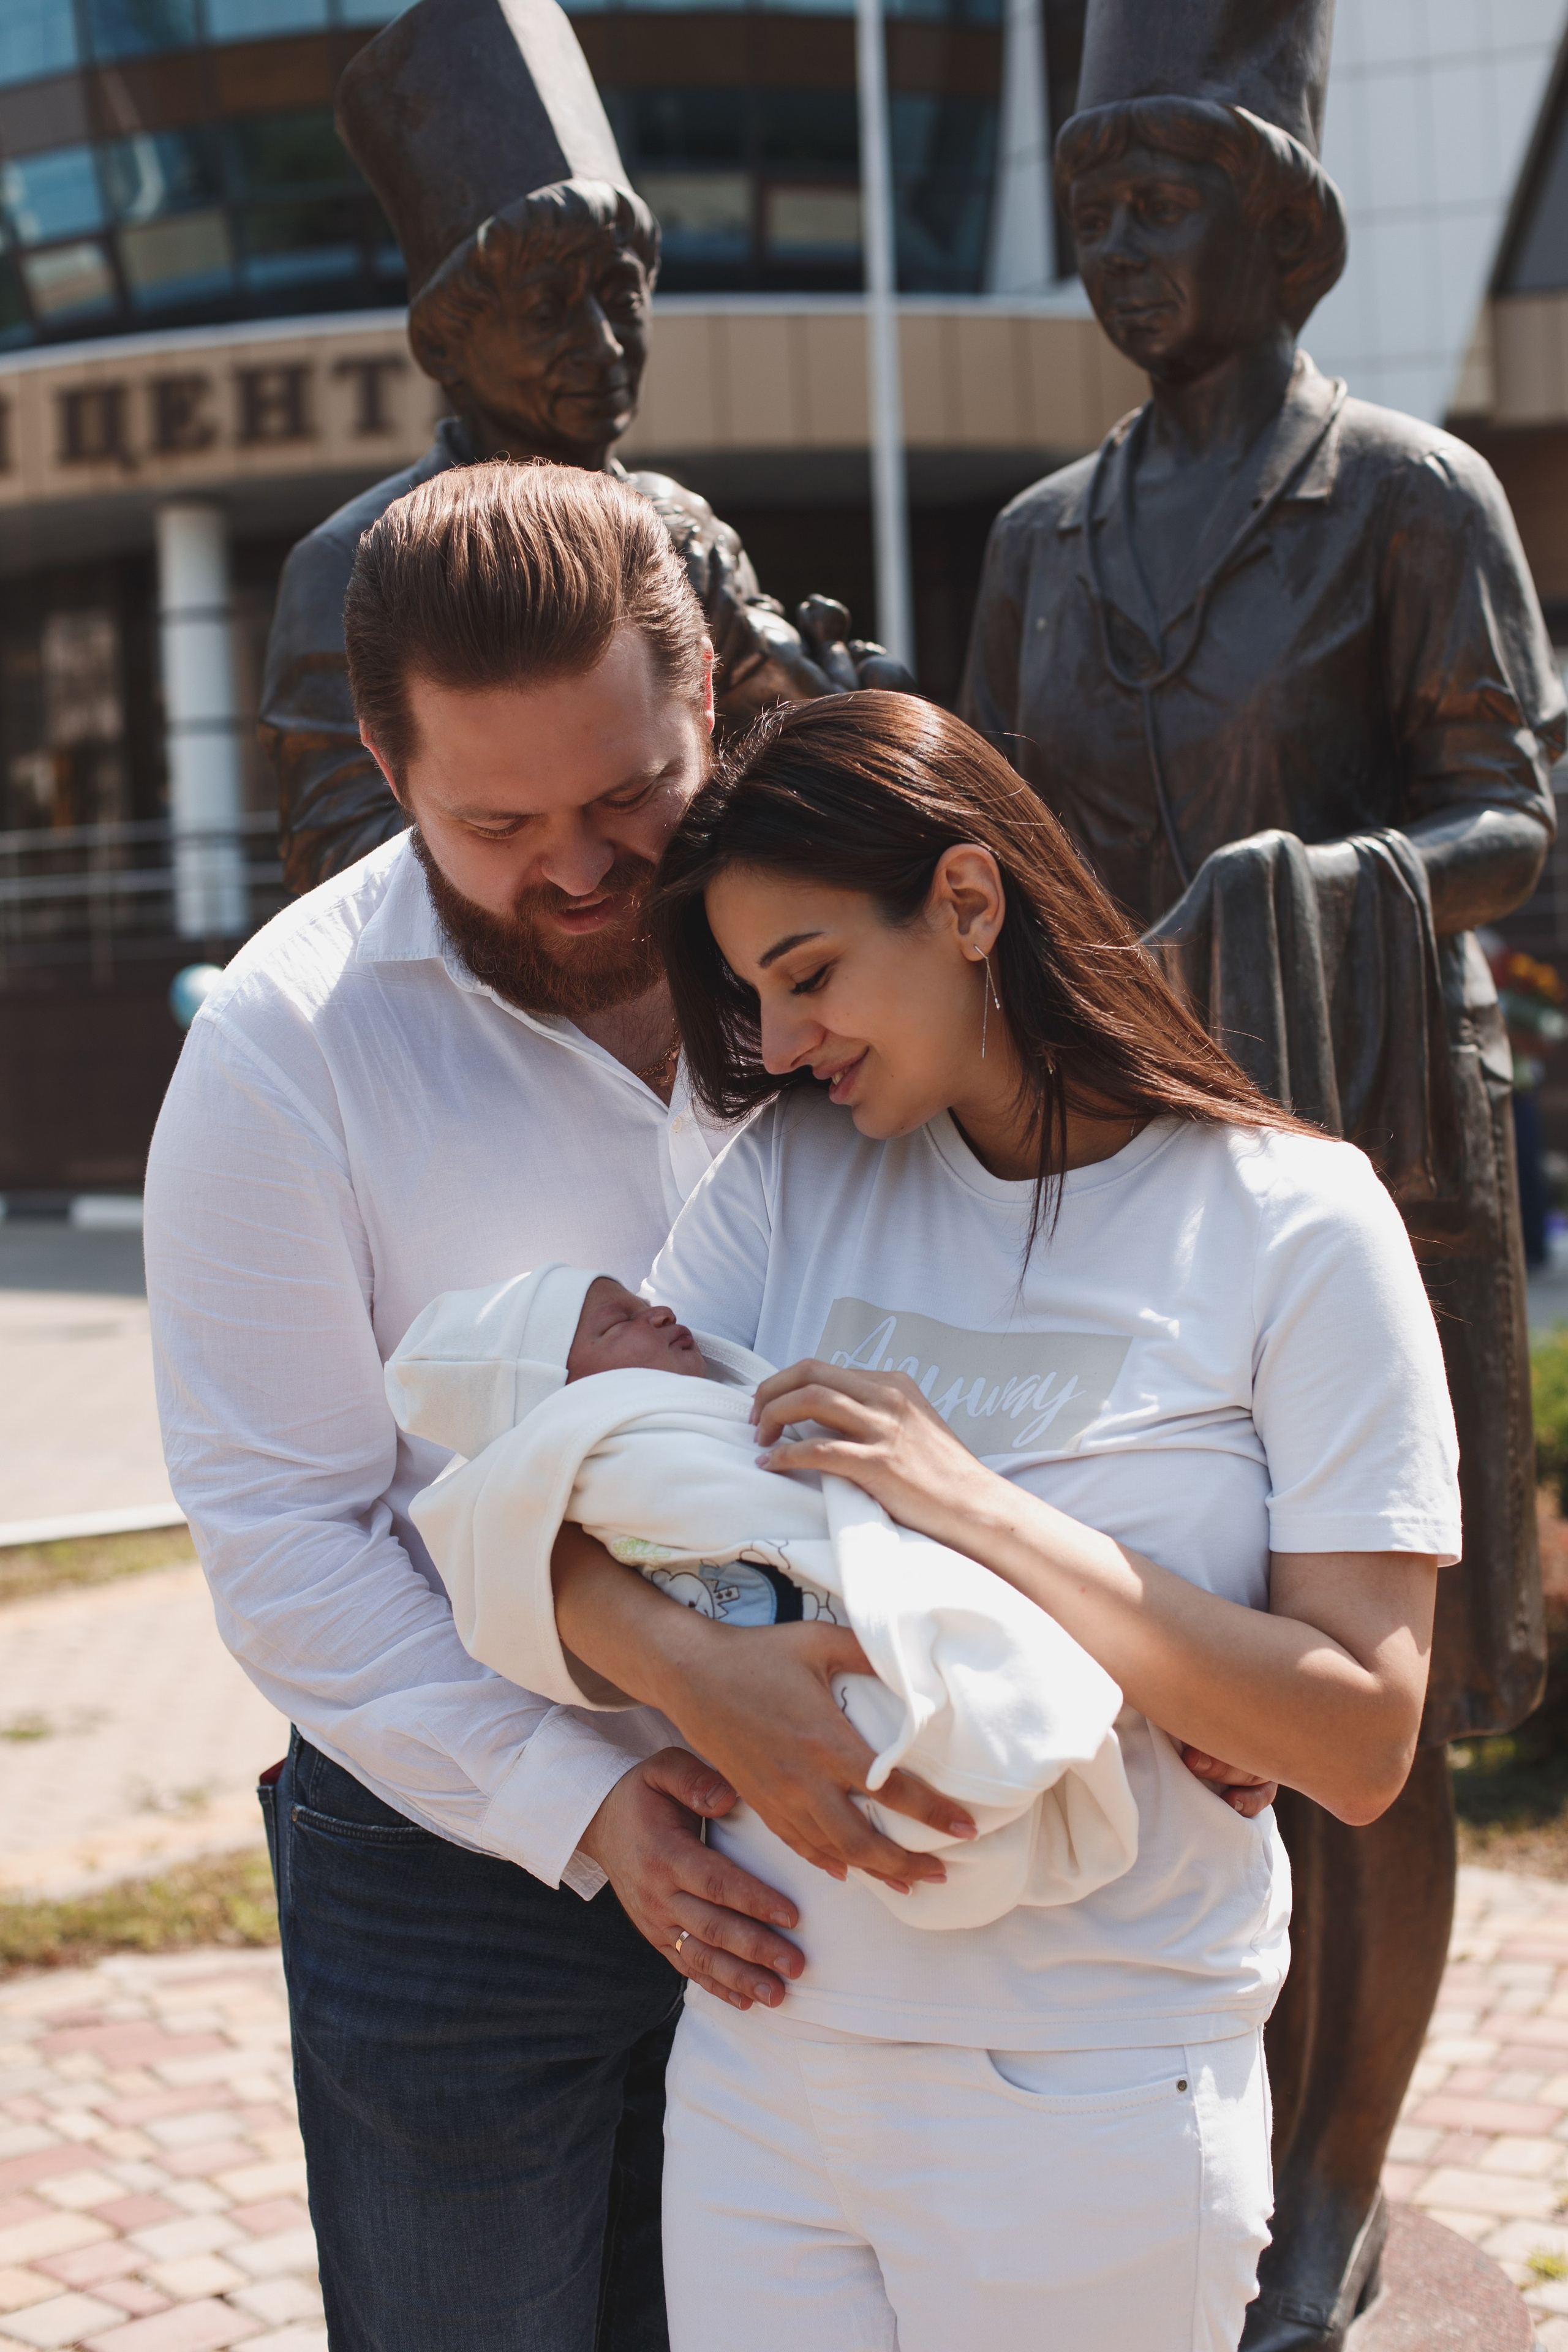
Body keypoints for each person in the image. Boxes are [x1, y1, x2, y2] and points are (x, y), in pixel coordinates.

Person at [144, 463, 962, 2352]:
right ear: (383, 755)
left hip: (857, 1824)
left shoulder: (873, 945)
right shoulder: (286, 1048)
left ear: (708, 699)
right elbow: (282, 1535)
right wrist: (594, 1801)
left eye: (627, 797)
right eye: (497, 821)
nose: (582, 868)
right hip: (449, 1866)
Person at [537, 691, 1461, 2352]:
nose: (789, 1038)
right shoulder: (790, 1182)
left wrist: (977, 1509)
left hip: (1086, 2089)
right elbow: (558, 1526)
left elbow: (1363, 1737)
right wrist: (693, 1674)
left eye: (810, 972)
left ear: (969, 902)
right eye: (756, 995)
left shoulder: (1293, 1224)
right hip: (767, 2073)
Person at [958, 1, 1565, 2331]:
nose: (1117, 249)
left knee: (1350, 1704)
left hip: (1366, 1165)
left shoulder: (1409, 497)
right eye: (1091, 209)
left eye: (1163, 202)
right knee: (1153, 1658)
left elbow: (1508, 819)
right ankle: (1193, 2136)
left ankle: (1330, 2192)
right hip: (1116, 1174)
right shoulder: (1036, 538)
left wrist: (1306, 880)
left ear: (1280, 225)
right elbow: (992, 850)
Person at [262, 0, 903, 896]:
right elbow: (336, 869)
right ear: (445, 344)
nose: (604, 346)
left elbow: (769, 791)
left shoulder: (683, 531)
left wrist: (837, 728)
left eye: (622, 295)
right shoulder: (348, 566)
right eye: (546, 309)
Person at [382, 1263, 1139, 1931]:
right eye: (619, 1323)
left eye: (642, 1302)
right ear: (557, 1399)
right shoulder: (610, 1446)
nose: (659, 1313)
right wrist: (689, 1662)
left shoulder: (697, 1410)